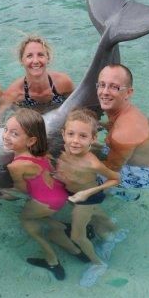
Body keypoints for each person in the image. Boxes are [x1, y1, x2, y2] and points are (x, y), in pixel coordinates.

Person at [91, 63, 149, 259]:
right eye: (101, 85)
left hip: (140, 174)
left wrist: (89, 193)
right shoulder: (124, 111)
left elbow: (111, 174)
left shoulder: (123, 134)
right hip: (144, 159)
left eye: (114, 87)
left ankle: (109, 234)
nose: (105, 92)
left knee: (78, 187)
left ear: (129, 92)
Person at [2, 108, 85, 281]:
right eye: (5, 130)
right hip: (59, 195)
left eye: (14, 133)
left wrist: (1, 195)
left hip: (44, 202)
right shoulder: (43, 153)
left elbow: (21, 189)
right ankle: (75, 250)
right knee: (38, 218)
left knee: (27, 222)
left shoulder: (15, 165)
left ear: (31, 140)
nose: (6, 136)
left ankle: (52, 260)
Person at [54, 108, 120, 287]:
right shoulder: (63, 150)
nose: (75, 141)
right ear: (63, 134)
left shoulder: (92, 163)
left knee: (77, 235)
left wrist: (87, 193)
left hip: (87, 197)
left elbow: (116, 178)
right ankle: (114, 232)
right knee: (97, 213)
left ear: (93, 139)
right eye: (71, 134)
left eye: (83, 136)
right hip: (73, 192)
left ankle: (98, 264)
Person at [0, 35, 73, 130]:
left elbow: (77, 107)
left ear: (48, 58)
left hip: (58, 122)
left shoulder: (63, 83)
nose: (35, 61)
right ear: (22, 61)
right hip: (30, 126)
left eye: (40, 55)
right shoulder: (14, 93)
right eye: (29, 56)